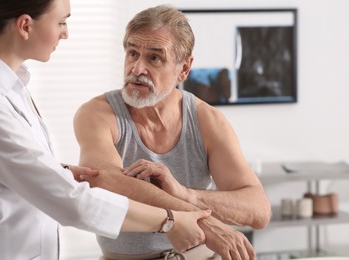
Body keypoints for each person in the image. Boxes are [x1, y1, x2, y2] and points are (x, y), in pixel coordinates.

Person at [0, 1, 213, 259]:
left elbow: (12, 169)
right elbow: (72, 203)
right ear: (25, 25)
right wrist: (170, 221)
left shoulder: (10, 88)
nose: (65, 33)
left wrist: (62, 172)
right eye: (61, 22)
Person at [74, 4, 271, 260]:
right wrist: (196, 221)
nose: (137, 68)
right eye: (132, 53)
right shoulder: (98, 114)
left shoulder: (207, 119)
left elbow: (258, 209)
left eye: (154, 58)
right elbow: (104, 181)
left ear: (184, 69)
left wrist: (183, 193)